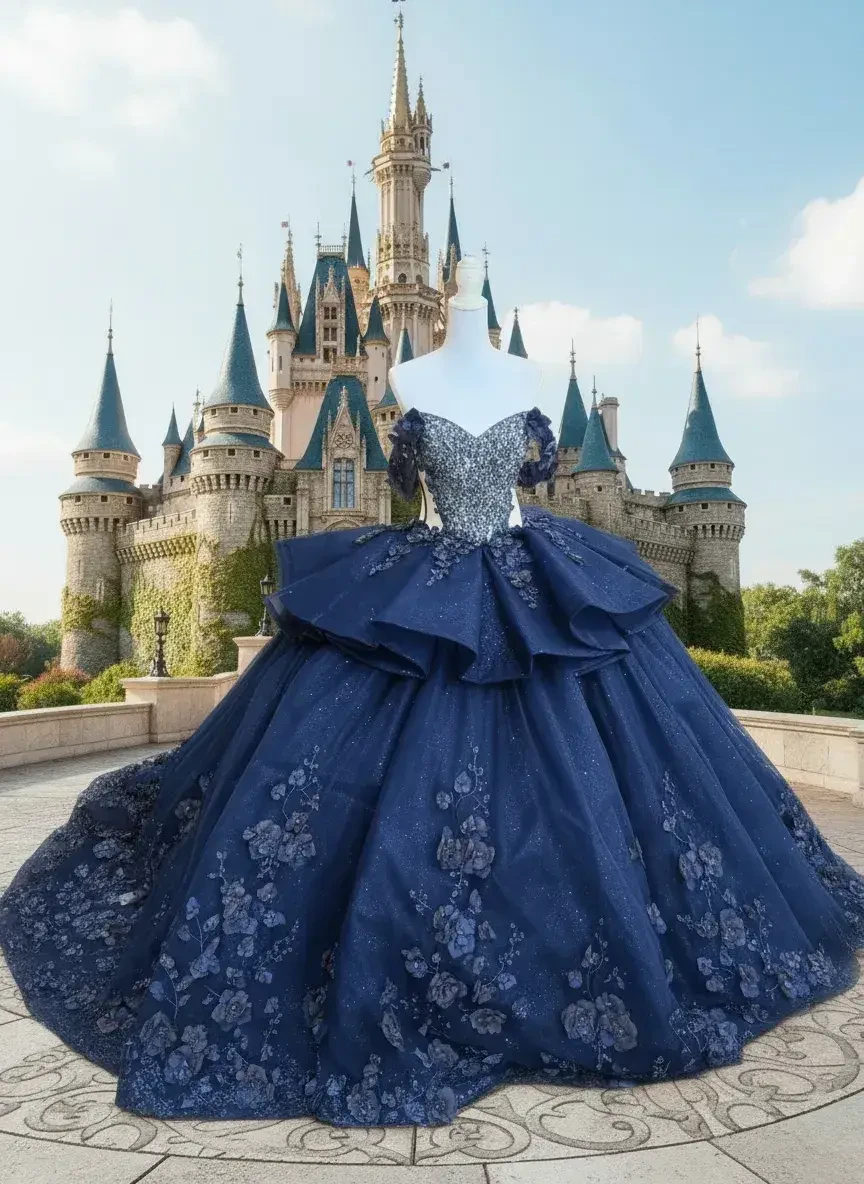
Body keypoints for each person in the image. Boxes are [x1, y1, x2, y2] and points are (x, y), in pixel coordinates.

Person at [2, 268, 863, 1128]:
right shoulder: (407, 377)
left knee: (579, 773)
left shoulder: (515, 376)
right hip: (444, 568)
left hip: (515, 568)